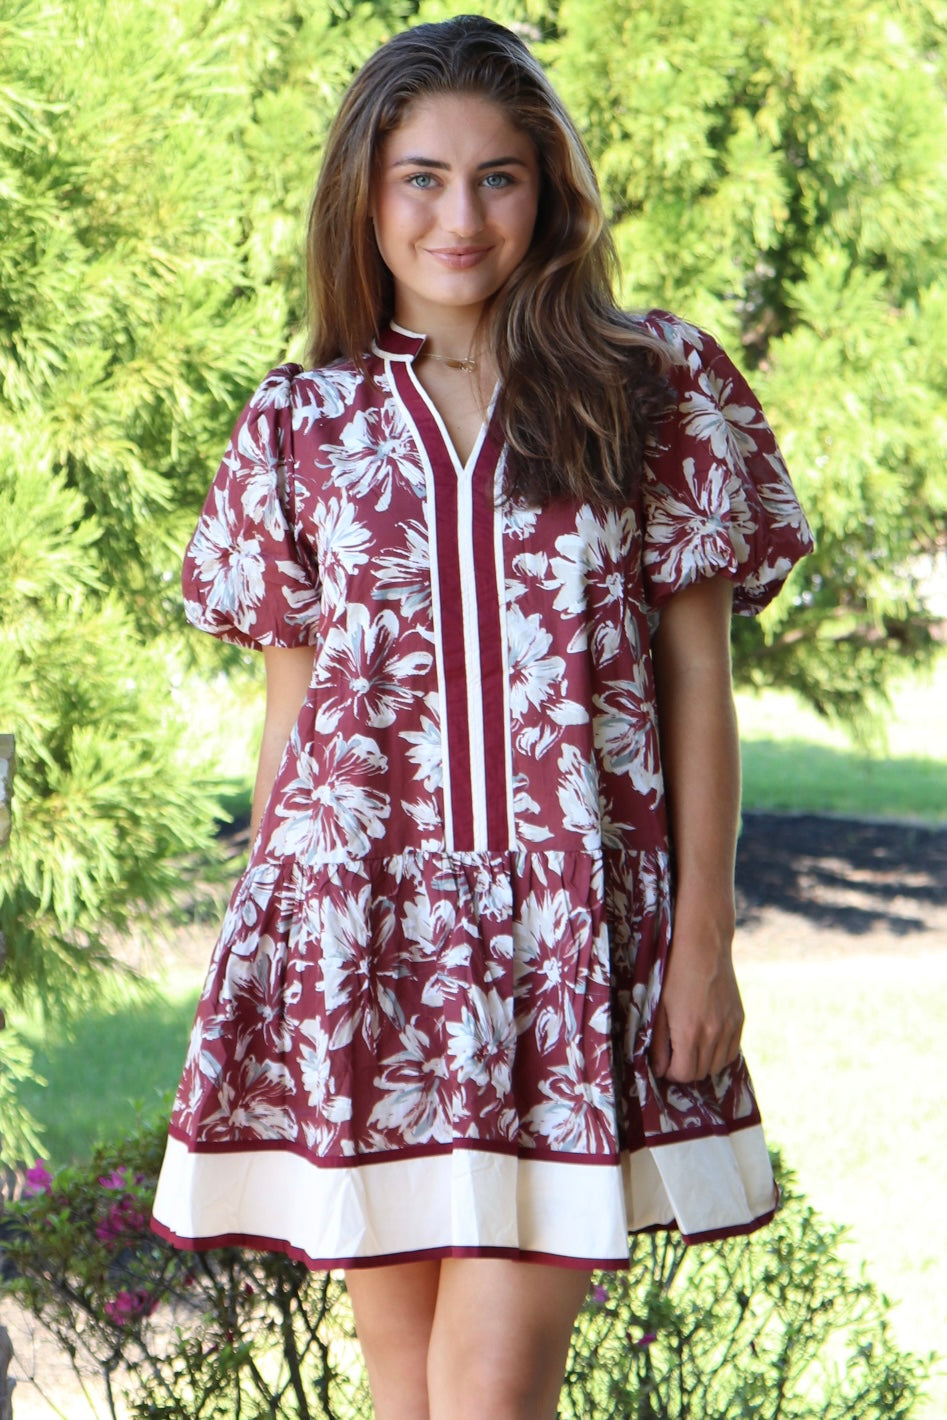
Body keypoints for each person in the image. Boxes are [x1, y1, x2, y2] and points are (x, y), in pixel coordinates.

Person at [152, 14, 814, 1418]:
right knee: (405, 1390)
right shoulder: (299, 423)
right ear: (365, 195)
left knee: (489, 1388)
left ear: (549, 192)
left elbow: (697, 682)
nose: (460, 217)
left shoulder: (652, 387)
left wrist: (702, 938)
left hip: (570, 945)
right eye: (423, 178)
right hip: (364, 947)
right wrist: (279, 966)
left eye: (498, 177)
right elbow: (291, 731)